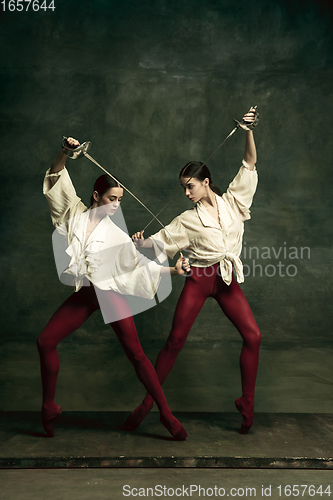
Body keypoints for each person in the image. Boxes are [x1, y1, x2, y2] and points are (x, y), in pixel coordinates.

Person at [37, 137, 190, 439]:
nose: (116, 205)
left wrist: (173, 269)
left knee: (136, 353)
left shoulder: (117, 235)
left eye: (120, 200)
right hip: (87, 293)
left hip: (110, 293)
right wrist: (65, 152)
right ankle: (49, 406)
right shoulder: (73, 213)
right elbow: (55, 177)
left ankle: (166, 414)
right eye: (111, 199)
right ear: (96, 195)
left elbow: (139, 267)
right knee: (45, 342)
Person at [125, 107, 261, 434]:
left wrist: (247, 130)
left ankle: (247, 401)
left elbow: (250, 163)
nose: (186, 193)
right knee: (174, 341)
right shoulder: (187, 220)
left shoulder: (232, 203)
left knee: (254, 337)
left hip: (225, 280)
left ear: (205, 182)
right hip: (199, 280)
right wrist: (139, 241)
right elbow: (157, 244)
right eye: (184, 188)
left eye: (190, 186)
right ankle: (148, 403)